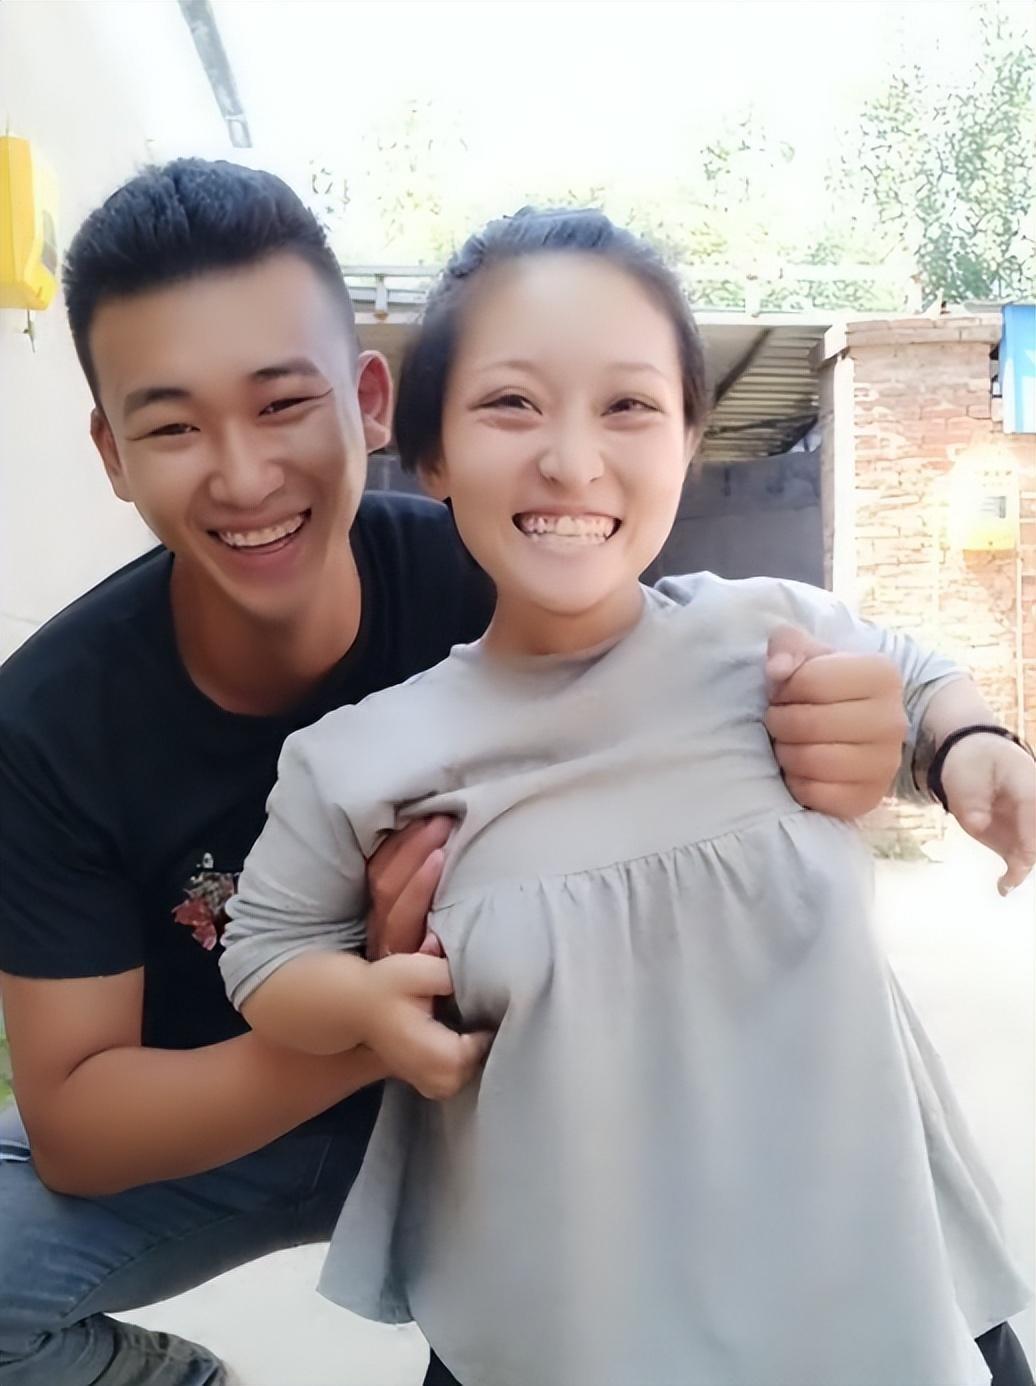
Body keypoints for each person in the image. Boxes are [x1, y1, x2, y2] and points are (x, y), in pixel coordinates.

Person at [0, 161, 924, 1386]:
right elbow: (77, 1130)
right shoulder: (48, 724)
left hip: (542, 1085)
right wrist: (376, 1019)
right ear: (112, 452)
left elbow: (744, 699)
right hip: (256, 1108)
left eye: (283, 404)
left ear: (371, 401)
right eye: (172, 426)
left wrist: (869, 737)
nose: (242, 474)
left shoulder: (505, 567)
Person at [221, 208, 1034, 1386]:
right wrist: (363, 1007)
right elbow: (262, 956)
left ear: (689, 438)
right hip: (570, 1326)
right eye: (511, 403)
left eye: (628, 405)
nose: (570, 459)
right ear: (432, 451)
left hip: (871, 1294)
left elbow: (915, 682)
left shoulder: (766, 635)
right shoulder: (358, 757)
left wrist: (973, 748)